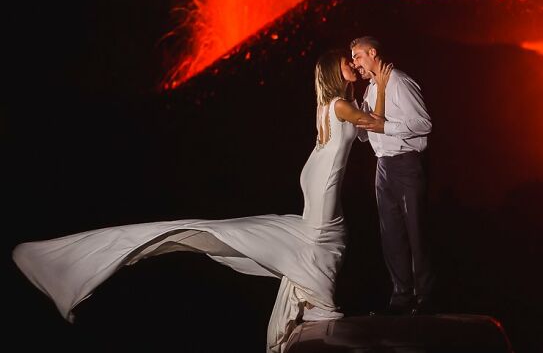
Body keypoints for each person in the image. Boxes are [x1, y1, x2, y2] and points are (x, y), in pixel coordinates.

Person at [12, 49, 393, 353]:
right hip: (322, 187)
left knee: (312, 243)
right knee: (323, 243)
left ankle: (134, 251)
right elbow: (375, 124)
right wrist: (381, 80)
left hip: (316, 181)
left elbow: (359, 133)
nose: (352, 64)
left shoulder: (329, 105)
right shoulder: (341, 107)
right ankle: (318, 303)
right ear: (332, 70)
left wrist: (366, 87)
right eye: (347, 61)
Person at [350, 36, 435, 315]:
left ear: (373, 53)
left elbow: (424, 123)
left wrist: (384, 126)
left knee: (415, 232)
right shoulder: (371, 89)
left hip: (406, 164)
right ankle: (401, 298)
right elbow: (365, 133)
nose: (355, 63)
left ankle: (425, 298)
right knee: (391, 236)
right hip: (382, 167)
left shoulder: (398, 81)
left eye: (358, 56)